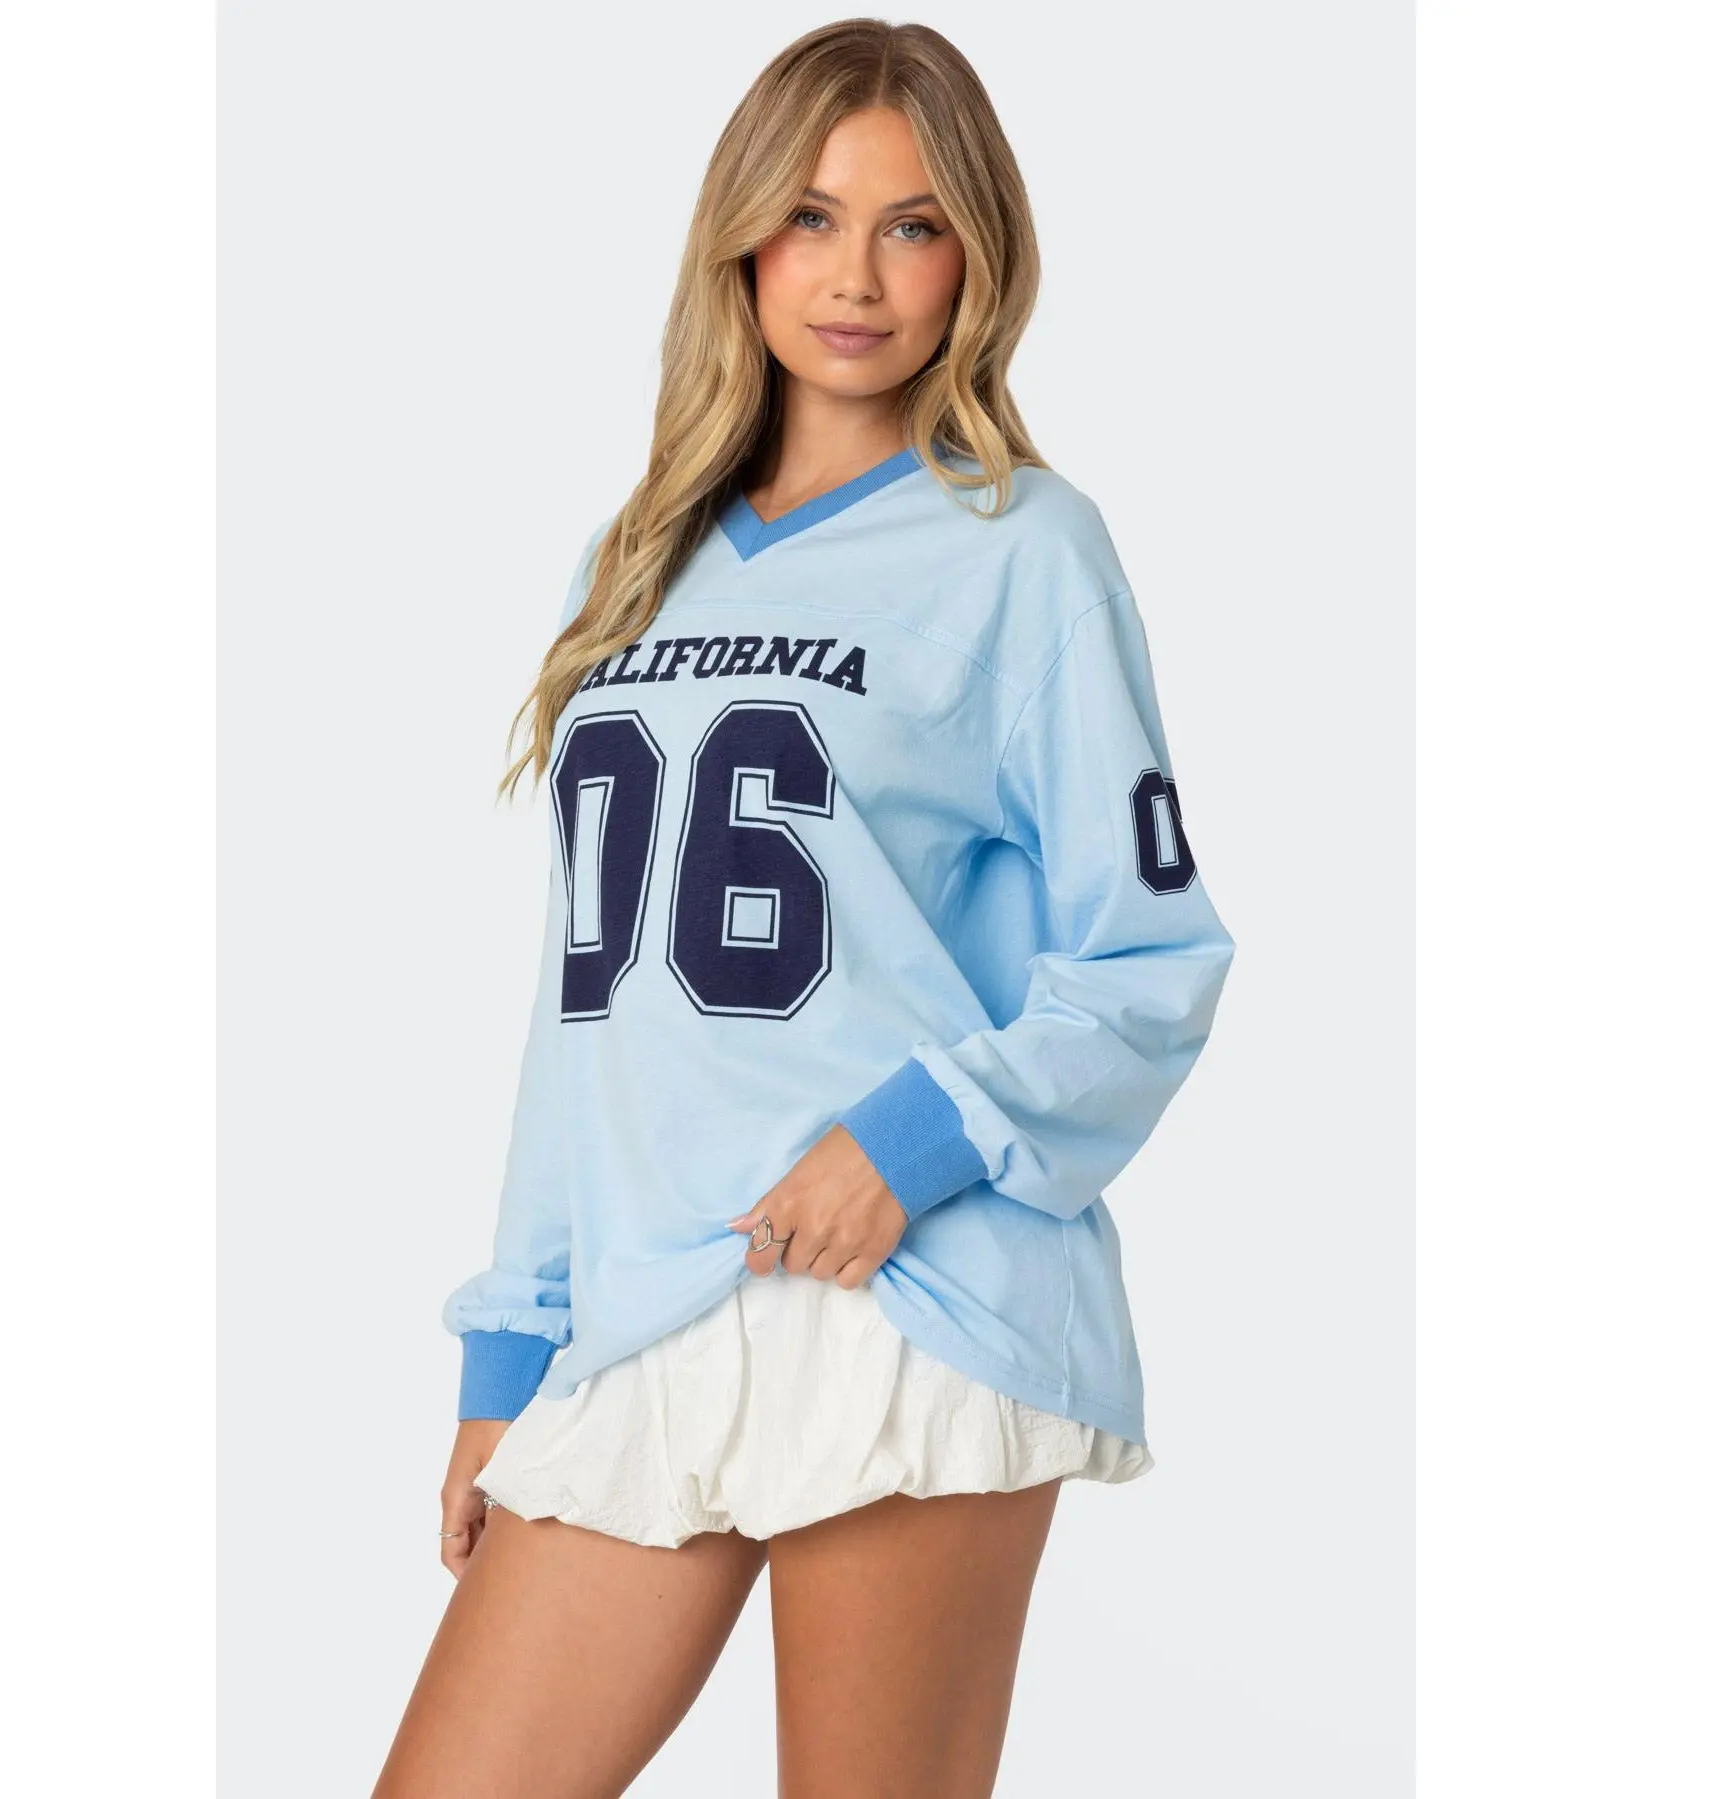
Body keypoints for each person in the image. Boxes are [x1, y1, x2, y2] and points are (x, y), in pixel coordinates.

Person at [373, 18, 1234, 1797]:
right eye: (813, 218)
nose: (856, 276)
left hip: (910, 1292)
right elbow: (587, 1002)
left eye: (914, 227)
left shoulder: (1024, 548)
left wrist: (906, 1144)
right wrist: (512, 1344)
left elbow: (1148, 962)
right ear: (741, 239)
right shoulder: (634, 564)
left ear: (976, 260)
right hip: (646, 1301)